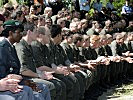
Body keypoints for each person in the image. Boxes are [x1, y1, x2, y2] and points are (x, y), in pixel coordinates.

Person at [15, 22, 54, 100]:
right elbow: (23, 71)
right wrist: (40, 75)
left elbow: (34, 66)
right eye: (36, 31)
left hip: (31, 76)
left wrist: (43, 74)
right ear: (29, 32)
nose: (37, 34)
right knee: (48, 86)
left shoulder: (29, 46)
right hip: (25, 78)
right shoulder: (21, 47)